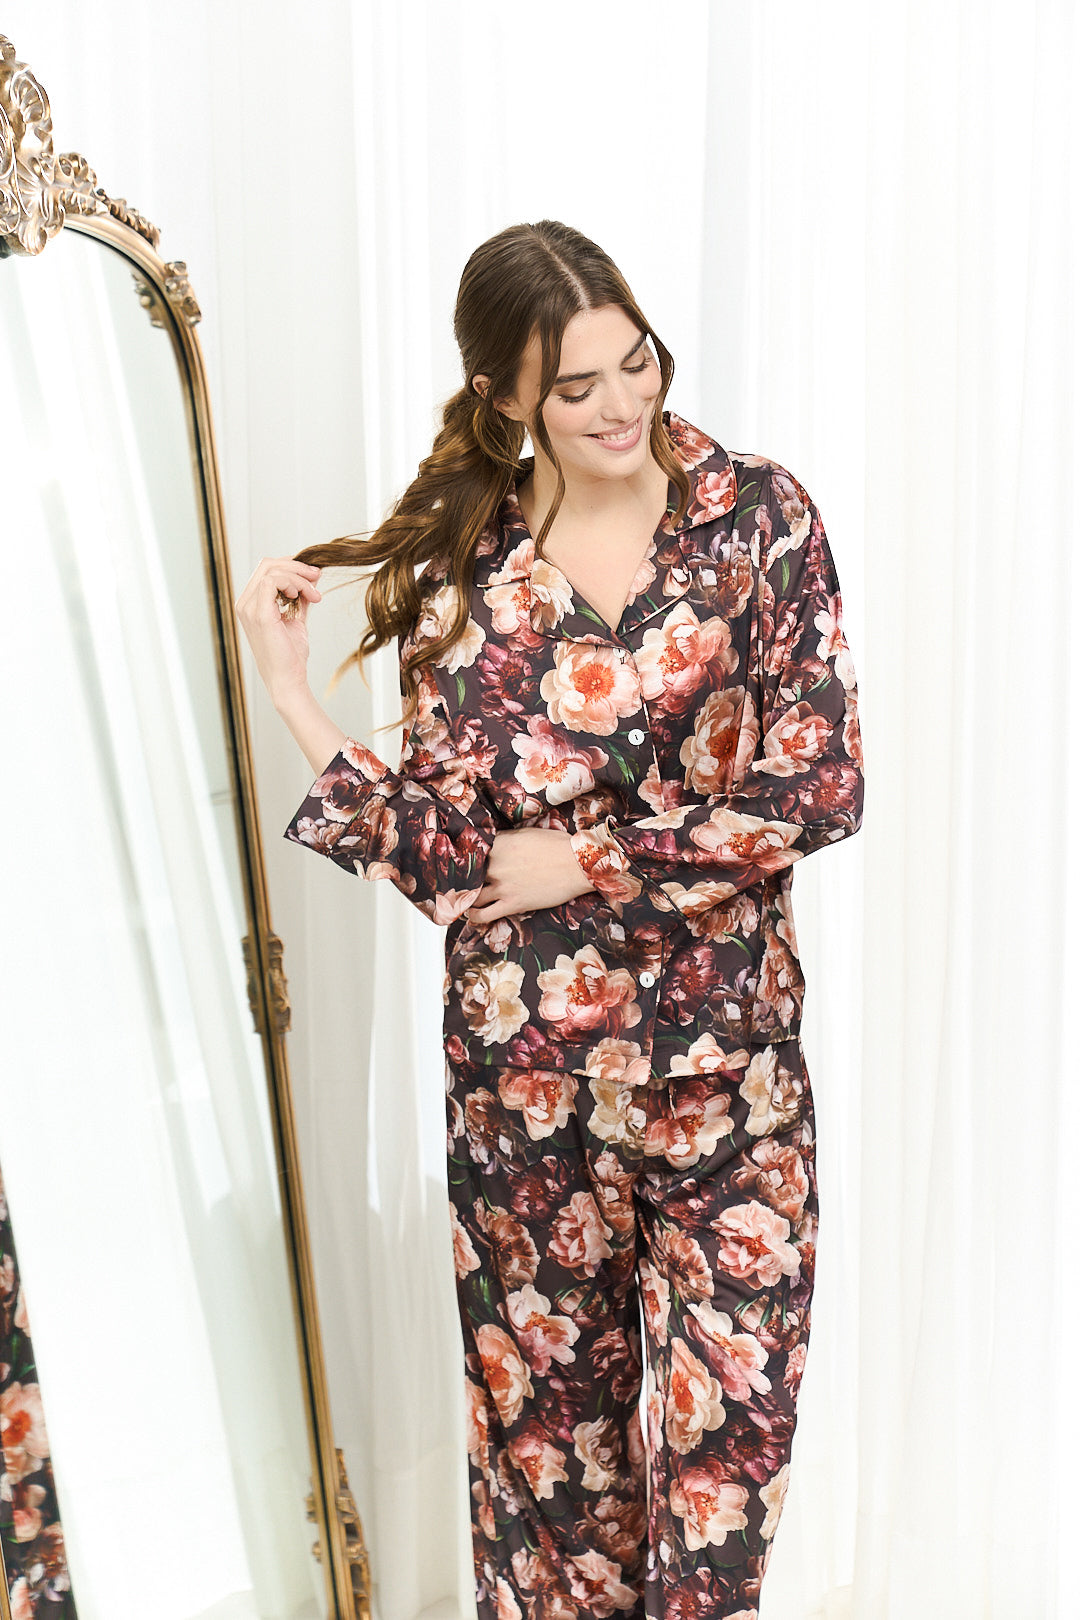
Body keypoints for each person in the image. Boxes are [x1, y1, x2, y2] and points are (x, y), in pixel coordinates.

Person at [235, 219, 864, 1620]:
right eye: (576, 386)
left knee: (724, 1496)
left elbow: (818, 787)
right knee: (552, 1512)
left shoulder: (759, 518)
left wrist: (586, 859)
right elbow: (455, 864)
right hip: (525, 1097)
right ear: (504, 396)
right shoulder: (461, 570)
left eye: (635, 361)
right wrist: (292, 696)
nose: (622, 403)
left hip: (731, 1087)